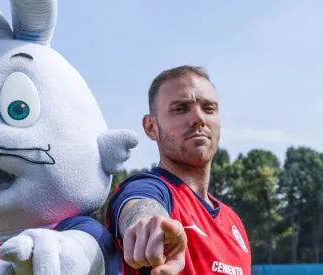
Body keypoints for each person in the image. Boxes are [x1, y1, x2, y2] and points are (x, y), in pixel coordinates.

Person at [106, 65, 251, 275]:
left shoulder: (233, 222)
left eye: (209, 108)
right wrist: (148, 225)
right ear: (151, 127)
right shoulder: (152, 189)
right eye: (180, 109)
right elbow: (141, 205)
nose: (198, 118)